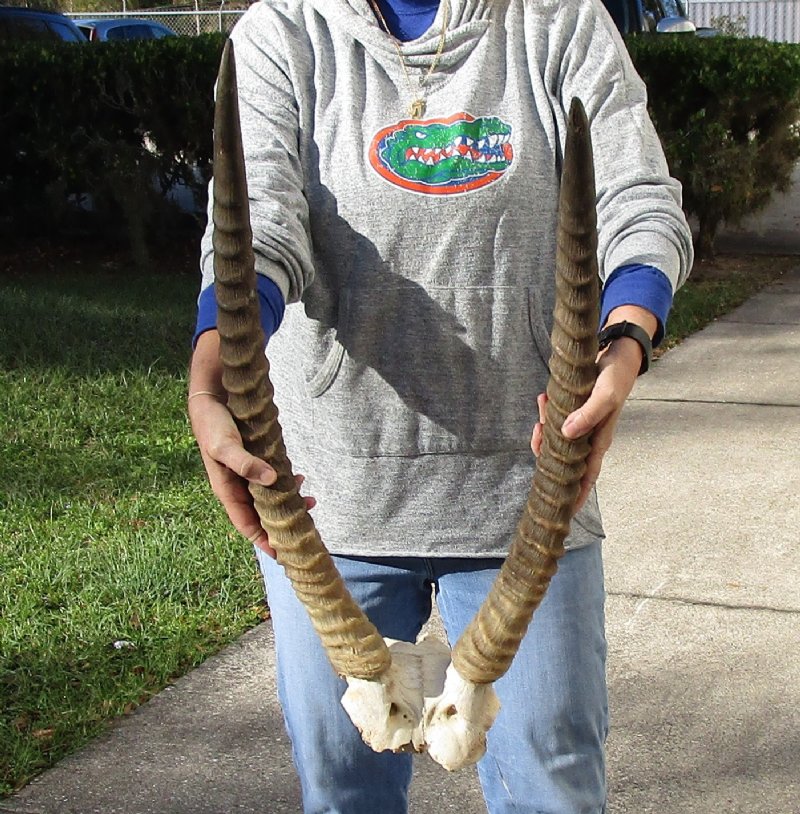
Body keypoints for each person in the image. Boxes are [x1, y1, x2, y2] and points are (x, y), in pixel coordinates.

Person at [188, 1, 693, 811]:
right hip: (330, 505)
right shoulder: (285, 32)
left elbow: (638, 204)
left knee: (552, 789)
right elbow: (259, 228)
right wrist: (213, 366)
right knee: (344, 789)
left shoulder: (557, 22)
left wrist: (625, 338)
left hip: (527, 499)